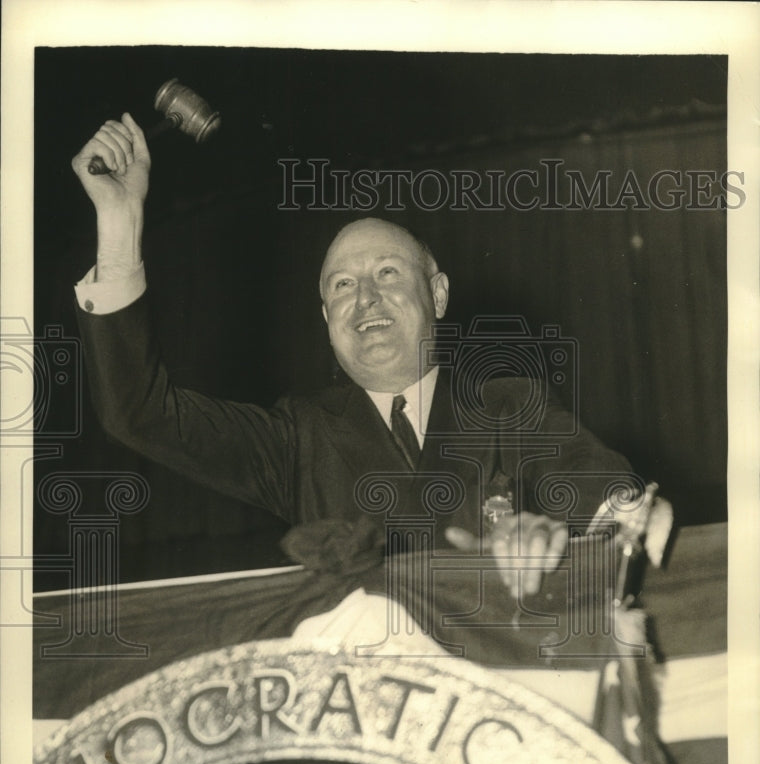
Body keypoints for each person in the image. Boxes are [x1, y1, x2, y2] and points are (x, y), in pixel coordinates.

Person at [71, 113, 633, 597]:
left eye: (387, 273)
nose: (365, 298)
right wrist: (119, 225)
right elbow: (138, 412)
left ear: (437, 295)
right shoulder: (298, 438)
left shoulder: (511, 407)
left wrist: (565, 533)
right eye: (342, 285)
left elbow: (606, 499)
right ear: (326, 318)